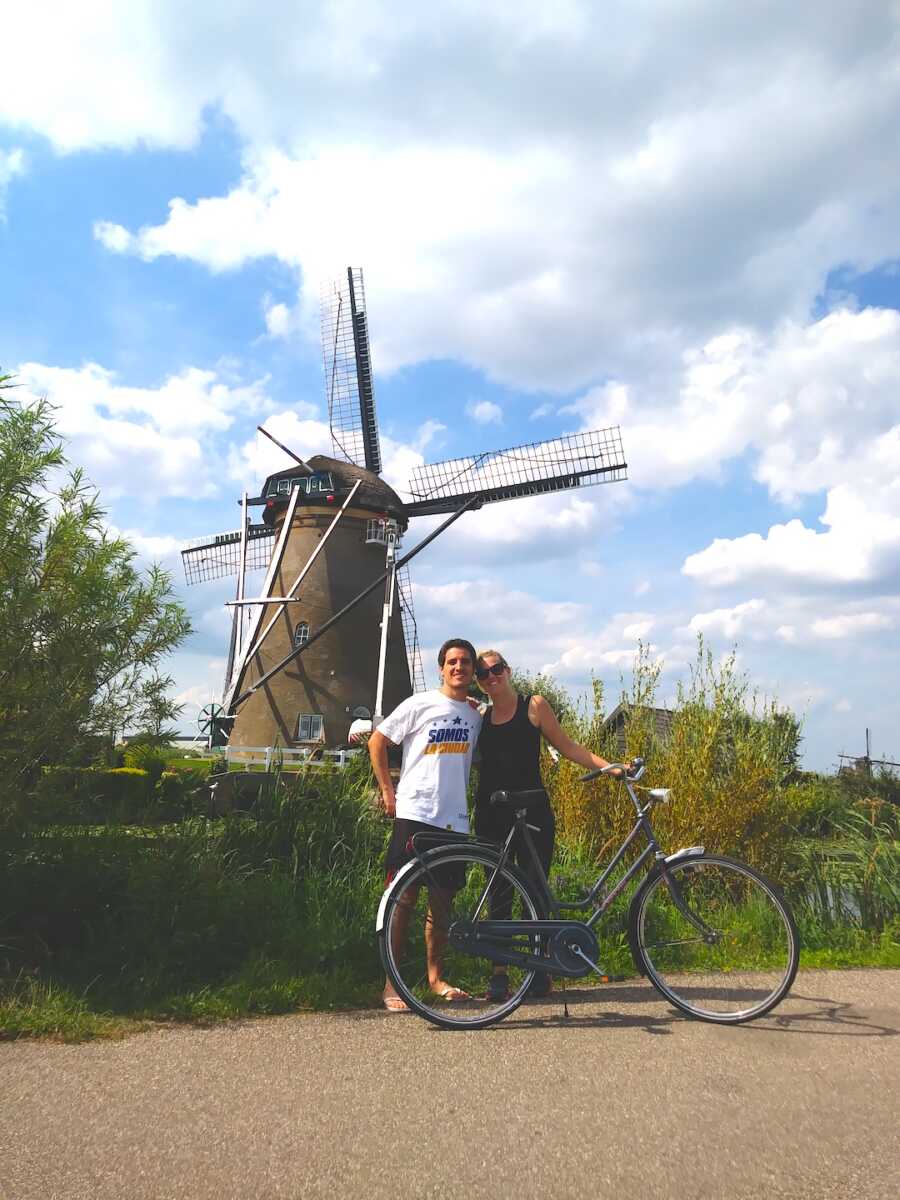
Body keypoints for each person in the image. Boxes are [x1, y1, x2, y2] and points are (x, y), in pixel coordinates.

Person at [473, 648, 622, 1001]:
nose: (491, 677)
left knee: (536, 889)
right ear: (479, 683)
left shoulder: (534, 705)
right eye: (483, 674)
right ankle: (499, 974)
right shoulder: (480, 716)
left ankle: (538, 969)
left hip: (533, 810)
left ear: (508, 670)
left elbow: (567, 746)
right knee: (499, 891)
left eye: (496, 669)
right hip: (493, 810)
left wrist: (608, 766)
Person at [368, 637, 482, 1012]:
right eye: (451, 661)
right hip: (416, 813)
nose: (458, 667)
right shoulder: (420, 704)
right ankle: (391, 983)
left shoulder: (474, 714)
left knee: (442, 902)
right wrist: (388, 790)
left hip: (454, 820)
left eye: (465, 662)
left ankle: (435, 978)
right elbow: (377, 741)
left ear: (472, 670)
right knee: (403, 899)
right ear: (441, 667)